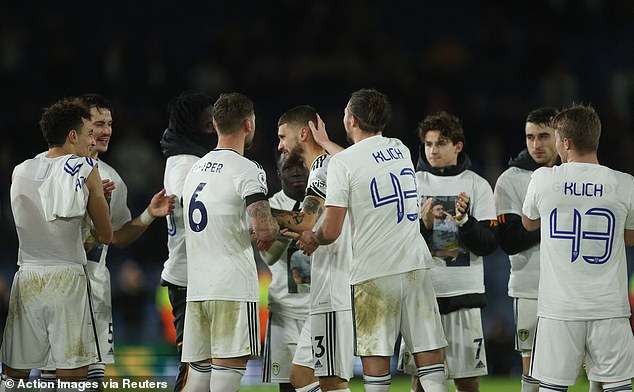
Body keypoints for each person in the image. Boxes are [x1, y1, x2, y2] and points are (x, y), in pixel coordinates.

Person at [297, 89, 448, 392]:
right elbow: (364, 164)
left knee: (377, 373)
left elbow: (332, 230)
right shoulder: (400, 149)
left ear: (351, 119)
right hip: (415, 266)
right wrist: (327, 144)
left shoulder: (343, 165)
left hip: (374, 275)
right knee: (430, 364)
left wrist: (313, 237)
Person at [1, 97, 112, 389]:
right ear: (72, 135)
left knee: (14, 376)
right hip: (67, 278)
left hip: (26, 277)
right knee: (72, 376)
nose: (92, 141)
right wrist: (99, 202)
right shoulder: (88, 168)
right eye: (89, 133)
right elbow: (106, 235)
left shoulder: (19, 170)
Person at [522, 104, 634, 392]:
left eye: (556, 138)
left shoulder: (543, 179)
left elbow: (529, 223)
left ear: (566, 143)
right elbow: (631, 238)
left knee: (553, 388)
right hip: (609, 307)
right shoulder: (625, 184)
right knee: (616, 387)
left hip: (559, 308)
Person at [73, 94, 175, 388]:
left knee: (93, 377)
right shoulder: (46, 167)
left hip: (95, 287)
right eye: (98, 124)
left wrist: (148, 214)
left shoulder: (112, 178)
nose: (106, 130)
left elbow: (116, 237)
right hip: (56, 283)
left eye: (110, 124)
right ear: (78, 127)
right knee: (51, 374)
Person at [180, 92, 279, 392]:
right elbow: (264, 229)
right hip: (232, 289)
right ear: (248, 125)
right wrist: (273, 226)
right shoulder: (247, 170)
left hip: (197, 289)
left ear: (214, 125)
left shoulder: (194, 170)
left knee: (196, 381)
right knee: (226, 378)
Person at [400, 111, 499, 392]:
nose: (433, 150)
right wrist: (425, 226)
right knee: (420, 382)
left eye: (441, 143)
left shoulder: (477, 185)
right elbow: (400, 242)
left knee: (467, 382)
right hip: (422, 295)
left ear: (457, 146)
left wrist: (466, 222)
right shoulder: (412, 183)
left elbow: (489, 244)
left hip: (463, 297)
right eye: (428, 143)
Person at [274, 105, 354, 392]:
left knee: (330, 380)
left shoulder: (322, 167)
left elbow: (304, 219)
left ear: (303, 134)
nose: (280, 145)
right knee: (301, 376)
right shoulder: (332, 165)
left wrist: (256, 213)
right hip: (326, 287)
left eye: (283, 137)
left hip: (335, 287)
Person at [493, 107, 558, 392]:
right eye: (530, 137)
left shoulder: (575, 175)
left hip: (570, 285)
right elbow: (508, 240)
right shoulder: (511, 179)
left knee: (578, 363)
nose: (536, 144)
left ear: (560, 136)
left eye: (544, 136)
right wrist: (555, 221)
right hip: (529, 284)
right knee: (530, 365)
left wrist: (534, 225)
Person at [158, 91, 217, 392]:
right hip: (188, 280)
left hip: (198, 277)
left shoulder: (188, 159)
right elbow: (194, 215)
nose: (214, 130)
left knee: (205, 369)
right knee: (192, 369)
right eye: (208, 125)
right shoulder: (185, 163)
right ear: (192, 126)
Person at [259, 152, 311, 392]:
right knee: (288, 387)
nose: (296, 171)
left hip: (319, 310)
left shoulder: (325, 203)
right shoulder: (268, 208)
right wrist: (284, 233)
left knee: (326, 383)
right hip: (284, 312)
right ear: (279, 173)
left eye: (301, 165)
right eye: (289, 167)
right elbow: (268, 257)